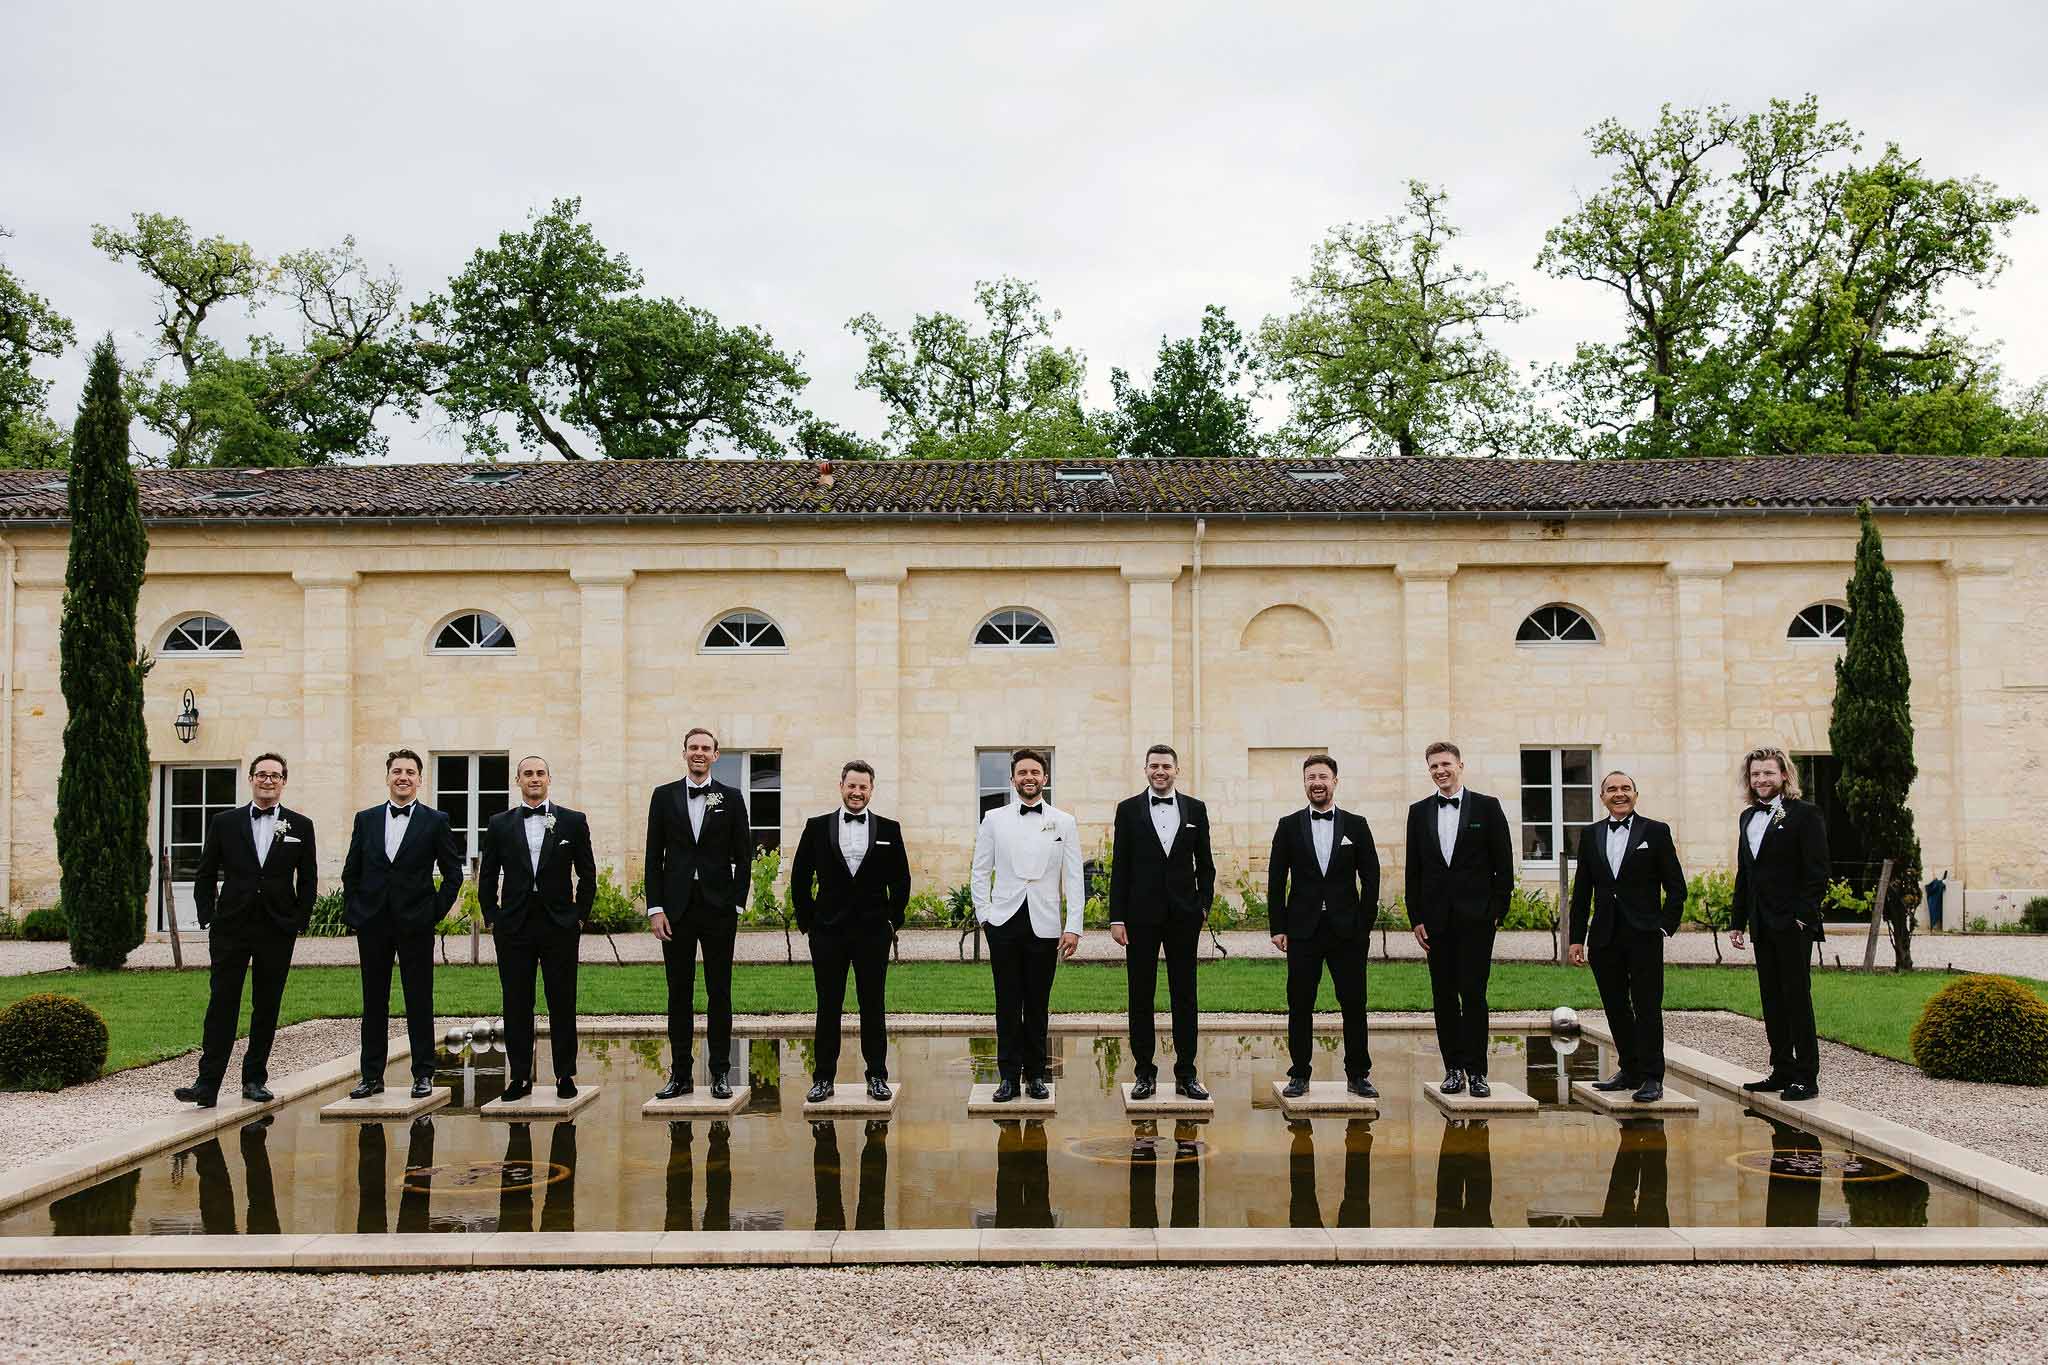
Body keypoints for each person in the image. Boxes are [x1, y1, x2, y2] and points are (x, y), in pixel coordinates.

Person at [175, 752, 317, 1107]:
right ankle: (207, 1084)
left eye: (275, 775)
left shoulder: (301, 825)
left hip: (276, 927)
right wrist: (209, 915)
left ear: (284, 781)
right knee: (222, 1003)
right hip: (231, 926)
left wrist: (299, 918)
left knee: (266, 1004)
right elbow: (206, 873)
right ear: (251, 779)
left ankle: (254, 1079)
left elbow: (309, 877)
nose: (268, 781)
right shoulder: (225, 822)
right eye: (261, 775)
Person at [340, 748, 462, 1100]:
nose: (403, 777)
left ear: (420, 779)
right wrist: (356, 911)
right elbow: (352, 870)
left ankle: (423, 1074)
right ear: (388, 776)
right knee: (373, 1001)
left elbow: (453, 873)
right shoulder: (366, 819)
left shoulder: (435, 820)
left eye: (410, 771)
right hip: (373, 922)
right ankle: (371, 1077)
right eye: (397, 771)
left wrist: (433, 911)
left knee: (419, 1000)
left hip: (416, 923)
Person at [790, 759, 912, 1103]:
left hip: (873, 932)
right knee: (828, 1005)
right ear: (841, 786)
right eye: (851, 785)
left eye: (863, 787)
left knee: (873, 1005)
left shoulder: (890, 829)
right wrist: (809, 921)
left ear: (871, 790)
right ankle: (823, 1079)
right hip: (828, 932)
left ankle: (877, 1076)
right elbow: (800, 878)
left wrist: (892, 921)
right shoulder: (816, 827)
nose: (857, 792)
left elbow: (901, 880)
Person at [476, 755, 596, 1101]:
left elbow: (587, 874)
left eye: (540, 773)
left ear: (549, 779)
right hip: (513, 925)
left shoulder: (572, 822)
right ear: (518, 781)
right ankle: (519, 1077)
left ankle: (564, 1074)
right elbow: (488, 875)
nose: (534, 778)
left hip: (559, 925)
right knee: (516, 1002)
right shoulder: (500, 824)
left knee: (562, 1000)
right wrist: (492, 915)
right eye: (527, 774)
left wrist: (579, 916)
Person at [645, 727, 756, 1101]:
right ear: (684, 752)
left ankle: (720, 1073)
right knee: (678, 993)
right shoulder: (662, 797)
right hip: (675, 909)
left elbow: (744, 855)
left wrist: (737, 902)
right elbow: (652, 857)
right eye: (693, 747)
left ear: (716, 755)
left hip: (718, 907)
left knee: (719, 992)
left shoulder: (732, 797)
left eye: (705, 748)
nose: (699, 753)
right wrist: (655, 908)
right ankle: (679, 1075)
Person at [969, 749, 1083, 1102]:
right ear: (1013, 778)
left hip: (1045, 923)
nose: (1028, 777)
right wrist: (985, 916)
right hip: (1003, 921)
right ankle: (1007, 1077)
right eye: (1022, 772)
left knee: (1037, 1003)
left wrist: (1073, 925)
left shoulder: (1065, 822)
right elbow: (979, 870)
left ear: (1045, 778)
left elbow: (1074, 876)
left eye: (1035, 771)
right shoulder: (994, 819)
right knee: (1006, 1002)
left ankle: (1035, 1075)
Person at [1567, 771, 1686, 1103]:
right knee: (1615, 1006)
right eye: (1611, 789)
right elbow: (1582, 892)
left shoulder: (1656, 832)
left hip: (1644, 934)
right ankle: (1629, 1069)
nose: (1619, 794)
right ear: (1602, 797)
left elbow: (1676, 886)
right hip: (1604, 936)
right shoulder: (1590, 835)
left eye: (1625, 788)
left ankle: (1652, 1076)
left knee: (1647, 1006)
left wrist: (1665, 925)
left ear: (1636, 793)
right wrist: (1577, 938)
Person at [1108, 744, 1216, 1101]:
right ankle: (1144, 1074)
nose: (1160, 771)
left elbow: (1206, 864)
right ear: (1145, 769)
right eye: (1154, 766)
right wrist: (1117, 917)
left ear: (1176, 770)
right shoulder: (1127, 810)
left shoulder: (1196, 809)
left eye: (1166, 766)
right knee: (1141, 995)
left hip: (1184, 917)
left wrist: (1203, 906)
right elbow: (1120, 867)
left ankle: (1187, 1074)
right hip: (1140, 917)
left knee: (1185, 995)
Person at [1405, 741, 1513, 1098]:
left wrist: (1497, 910)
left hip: (1477, 919)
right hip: (1435, 920)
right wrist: (1415, 917)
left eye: (1446, 764)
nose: (1440, 771)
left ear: (1460, 765)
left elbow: (1503, 864)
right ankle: (1453, 1069)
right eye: (1434, 766)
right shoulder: (1418, 812)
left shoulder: (1488, 807)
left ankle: (1477, 1071)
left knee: (1474, 994)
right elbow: (1414, 871)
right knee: (1444, 995)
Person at [1267, 753, 1379, 1098]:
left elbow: (1371, 875)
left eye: (1323, 777)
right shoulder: (1288, 825)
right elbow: (1275, 878)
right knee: (1300, 1003)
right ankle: (1299, 1074)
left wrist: (1364, 923)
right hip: (1303, 930)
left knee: (1354, 1003)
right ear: (1304, 783)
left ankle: (1358, 1074)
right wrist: (1278, 926)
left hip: (1348, 931)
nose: (1317, 783)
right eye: (1310, 777)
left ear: (1335, 781)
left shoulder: (1356, 824)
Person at [1729, 745, 1829, 1102]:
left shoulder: (1805, 815)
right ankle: (1781, 1069)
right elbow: (1746, 873)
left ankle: (1807, 1076)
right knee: (1771, 998)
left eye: (1768, 773)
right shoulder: (1746, 818)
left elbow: (1817, 872)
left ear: (1784, 775)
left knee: (1796, 998)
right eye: (1756, 774)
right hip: (1761, 924)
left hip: (1792, 924)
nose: (1761, 780)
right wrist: (1737, 920)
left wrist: (1803, 917)